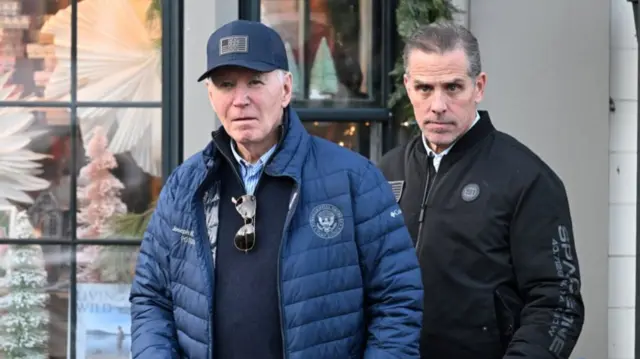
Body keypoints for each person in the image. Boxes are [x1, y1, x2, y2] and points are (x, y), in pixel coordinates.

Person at [129, 19, 423, 359]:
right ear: (211, 96)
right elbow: (151, 296)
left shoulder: (354, 179)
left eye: (255, 81)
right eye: (226, 85)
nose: (240, 100)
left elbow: (397, 299)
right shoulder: (186, 185)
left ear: (285, 89)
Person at [377, 21, 585, 359]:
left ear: (479, 86)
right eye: (425, 88)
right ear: (408, 87)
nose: (438, 104)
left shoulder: (527, 178)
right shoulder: (385, 172)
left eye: (453, 87)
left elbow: (558, 301)